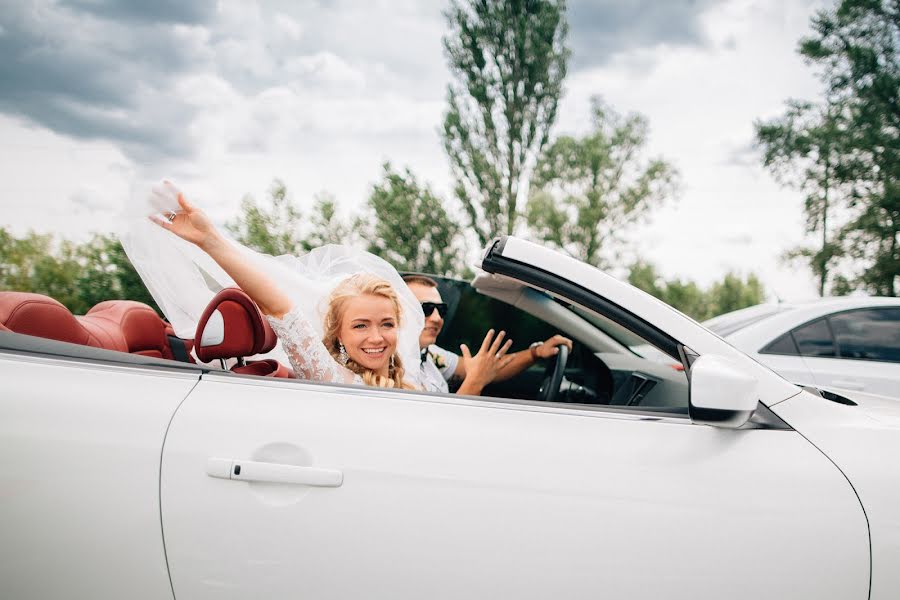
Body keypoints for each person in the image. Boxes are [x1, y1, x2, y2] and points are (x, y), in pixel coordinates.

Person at [141, 183, 514, 392]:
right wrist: (211, 241)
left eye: (386, 323)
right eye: (360, 325)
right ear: (337, 333)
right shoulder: (330, 377)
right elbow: (278, 305)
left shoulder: (408, 384)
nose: (377, 337)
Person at [403, 275, 573, 395]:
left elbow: (488, 369)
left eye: (441, 310)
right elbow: (444, 426)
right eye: (425, 309)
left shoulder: (431, 353)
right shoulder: (389, 367)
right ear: (398, 311)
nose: (437, 318)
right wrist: (476, 382)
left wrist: (535, 353)